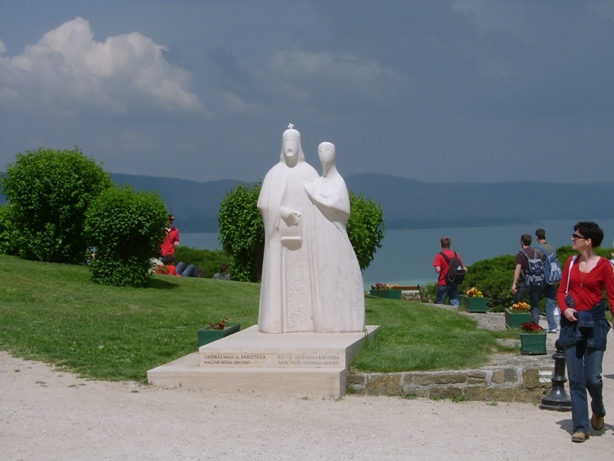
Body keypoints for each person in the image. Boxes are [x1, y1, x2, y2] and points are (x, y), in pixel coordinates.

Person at [257, 124, 319, 333]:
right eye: (286, 141)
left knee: (303, 279)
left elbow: (318, 202)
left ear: (299, 144)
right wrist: (281, 212)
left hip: (304, 238)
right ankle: (276, 323)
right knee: (277, 278)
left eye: (293, 141)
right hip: (278, 238)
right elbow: (264, 204)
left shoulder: (309, 172)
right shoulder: (274, 173)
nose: (289, 145)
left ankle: (306, 321)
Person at [557, 222, 614, 443]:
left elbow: (612, 296)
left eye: (576, 236)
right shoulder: (570, 263)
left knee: (593, 378)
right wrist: (565, 309)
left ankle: (598, 410)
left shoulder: (604, 266)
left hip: (595, 324)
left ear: (588, 241)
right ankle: (580, 427)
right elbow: (561, 291)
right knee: (576, 379)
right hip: (572, 324)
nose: (572, 239)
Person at [303, 142, 365, 332]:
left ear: (335, 153)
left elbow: (342, 207)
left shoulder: (338, 182)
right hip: (319, 238)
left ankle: (347, 319)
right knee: (324, 277)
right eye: (320, 150)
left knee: (341, 274)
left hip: (335, 234)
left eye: (327, 150)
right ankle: (326, 320)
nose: (324, 154)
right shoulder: (316, 183)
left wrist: (314, 194)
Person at [511, 234, 541, 324]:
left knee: (517, 300)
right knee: (534, 304)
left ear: (522, 242)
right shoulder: (536, 253)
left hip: (525, 282)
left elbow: (518, 269)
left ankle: (518, 322)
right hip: (536, 281)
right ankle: (535, 325)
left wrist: (514, 284)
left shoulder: (520, 254)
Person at [535, 228, 558, 333]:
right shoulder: (552, 248)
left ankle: (534, 324)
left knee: (535, 301)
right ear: (545, 236)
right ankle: (552, 326)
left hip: (542, 278)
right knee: (550, 302)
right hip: (552, 277)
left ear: (536, 237)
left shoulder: (537, 249)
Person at [432, 237, 466, 306]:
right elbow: (463, 268)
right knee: (455, 302)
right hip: (454, 281)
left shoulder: (439, 256)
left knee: (440, 304)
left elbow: (438, 270)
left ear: (441, 244)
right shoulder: (456, 255)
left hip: (443, 282)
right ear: (450, 244)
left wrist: (436, 268)